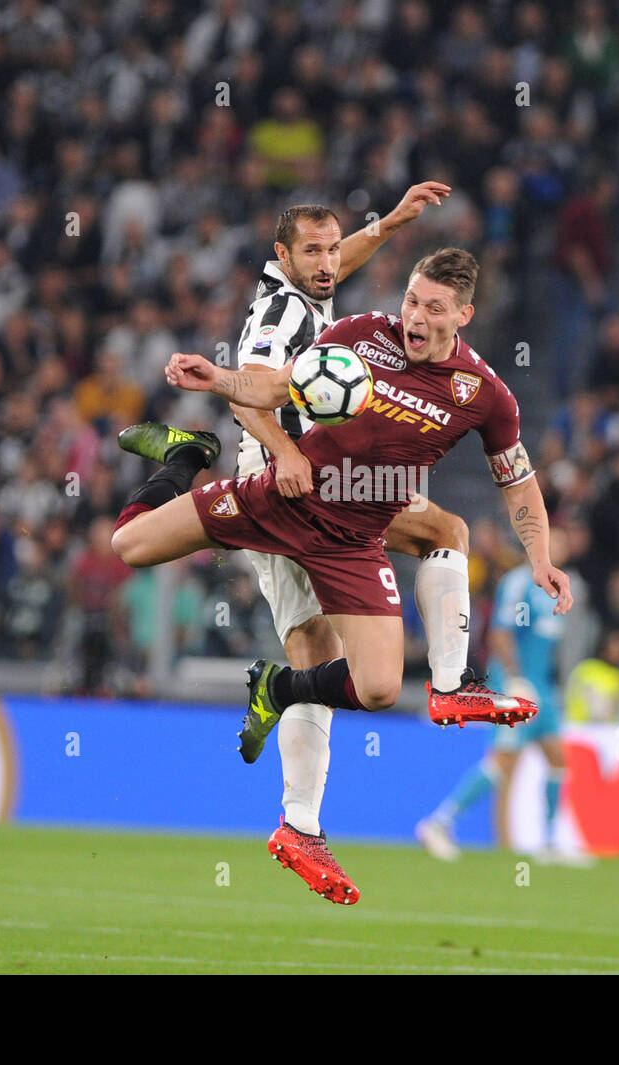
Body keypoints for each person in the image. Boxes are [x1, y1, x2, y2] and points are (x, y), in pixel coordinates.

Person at [111, 248, 574, 903]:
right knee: (129, 544)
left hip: (352, 541)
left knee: (382, 686)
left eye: (432, 308)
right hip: (282, 499)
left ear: (462, 316)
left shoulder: (485, 396)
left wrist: (540, 559)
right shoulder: (359, 337)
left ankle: (435, 687)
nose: (414, 316)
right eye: (412, 299)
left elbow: (519, 483)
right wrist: (217, 378)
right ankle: (184, 457)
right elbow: (273, 388)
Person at [416, 527, 587, 861]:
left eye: (564, 541)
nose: (562, 547)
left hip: (544, 689)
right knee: (502, 762)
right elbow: (500, 634)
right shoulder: (519, 582)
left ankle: (550, 843)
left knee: (558, 759)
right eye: (556, 542)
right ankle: (439, 822)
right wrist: (514, 679)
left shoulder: (557, 589)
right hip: (517, 685)